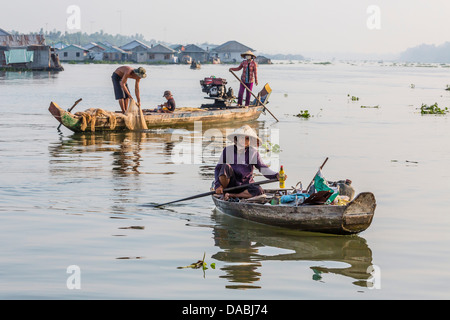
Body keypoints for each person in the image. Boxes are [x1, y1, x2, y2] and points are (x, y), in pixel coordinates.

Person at [214, 125, 286, 201]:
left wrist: (276, 175)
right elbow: (218, 169)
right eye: (241, 137)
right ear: (236, 138)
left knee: (258, 190)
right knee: (225, 167)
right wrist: (217, 185)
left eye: (247, 138)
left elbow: (263, 168)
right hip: (230, 184)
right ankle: (224, 192)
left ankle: (232, 195)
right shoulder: (228, 150)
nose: (244, 140)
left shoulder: (253, 152)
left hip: (246, 184)